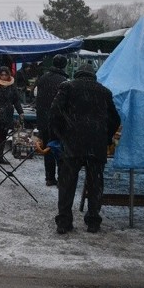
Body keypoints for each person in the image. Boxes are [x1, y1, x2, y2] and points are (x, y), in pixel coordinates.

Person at [49, 64, 121, 234]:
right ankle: (93, 221)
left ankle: (64, 221)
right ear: (93, 76)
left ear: (78, 74)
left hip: (72, 144)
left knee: (67, 184)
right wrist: (106, 137)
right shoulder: (104, 92)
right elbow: (115, 119)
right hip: (96, 146)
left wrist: (60, 134)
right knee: (95, 184)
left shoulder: (67, 87)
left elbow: (54, 113)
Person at [34, 54, 69, 186]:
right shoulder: (64, 81)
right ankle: (61, 178)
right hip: (58, 121)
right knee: (60, 149)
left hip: (43, 119)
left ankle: (49, 177)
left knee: (47, 148)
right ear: (64, 65)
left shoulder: (43, 78)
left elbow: (37, 99)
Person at [0, 66, 24, 166]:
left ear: (8, 75)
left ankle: (0, 157)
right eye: (2, 74)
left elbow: (16, 101)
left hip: (7, 115)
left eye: (5, 74)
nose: (4, 76)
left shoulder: (11, 86)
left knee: (3, 137)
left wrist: (21, 112)